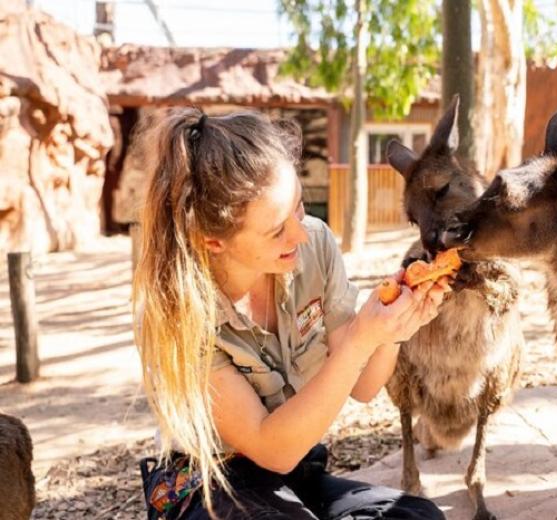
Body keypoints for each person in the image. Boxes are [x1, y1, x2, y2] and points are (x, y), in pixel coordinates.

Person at [132, 107, 449, 520]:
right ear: (213, 241)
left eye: (298, 206)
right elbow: (270, 447)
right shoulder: (178, 310)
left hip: (290, 474)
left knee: (418, 516)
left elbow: (365, 386)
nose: (300, 232)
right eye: (276, 229)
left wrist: (392, 329)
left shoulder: (312, 243)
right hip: (207, 483)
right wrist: (360, 340)